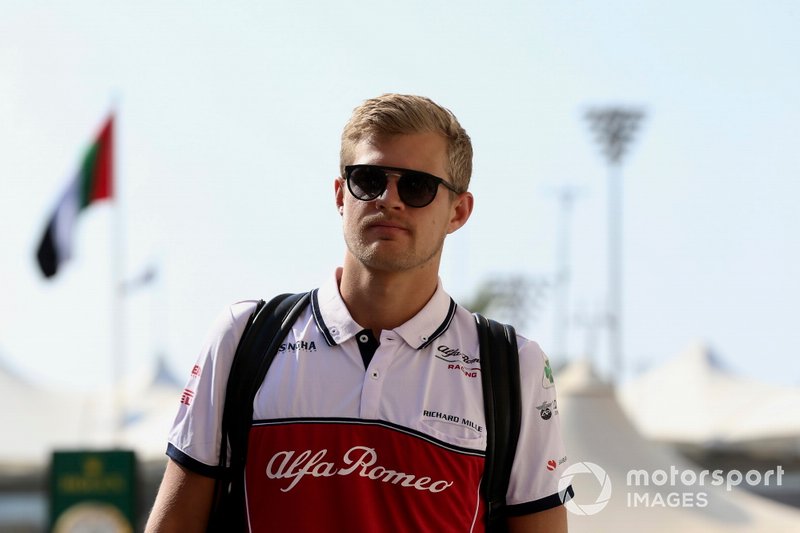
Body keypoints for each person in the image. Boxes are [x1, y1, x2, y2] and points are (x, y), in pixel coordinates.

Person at [146, 94, 571, 532]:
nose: (389, 199)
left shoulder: (513, 366)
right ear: (339, 195)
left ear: (458, 212)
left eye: (417, 186)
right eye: (368, 180)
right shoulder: (244, 335)